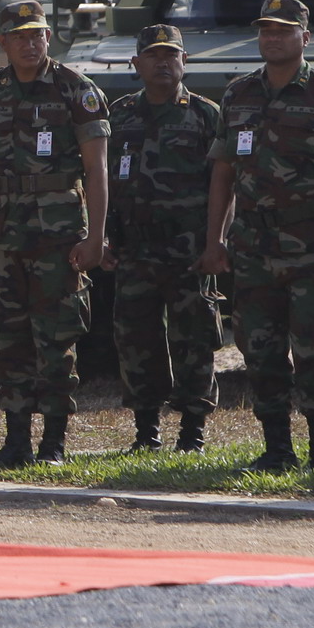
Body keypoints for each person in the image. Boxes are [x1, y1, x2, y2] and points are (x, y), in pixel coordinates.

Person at [202, 0, 314, 472]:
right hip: (253, 247)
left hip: (311, 245)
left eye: (283, 30)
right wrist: (216, 239)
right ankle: (276, 450)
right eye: (266, 30)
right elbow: (223, 173)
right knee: (260, 352)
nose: (272, 38)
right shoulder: (238, 94)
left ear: (304, 38)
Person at [0, 0, 109, 467]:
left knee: (56, 338)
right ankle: (16, 442)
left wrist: (95, 237)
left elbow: (97, 170)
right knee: (7, 338)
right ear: (2, 42)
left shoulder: (75, 90)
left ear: (49, 38)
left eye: (39, 34)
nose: (32, 43)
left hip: (59, 235)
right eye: (21, 36)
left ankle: (54, 444)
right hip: (5, 235)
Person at [104, 22, 222, 453]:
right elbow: (101, 178)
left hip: (189, 249)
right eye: (153, 56)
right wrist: (104, 235)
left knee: (194, 338)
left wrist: (216, 242)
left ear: (185, 62)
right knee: (137, 339)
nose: (163, 63)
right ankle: (146, 432)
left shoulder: (206, 115)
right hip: (135, 248)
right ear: (136, 64)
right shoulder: (119, 116)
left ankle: (192, 432)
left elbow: (223, 184)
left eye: (171, 55)